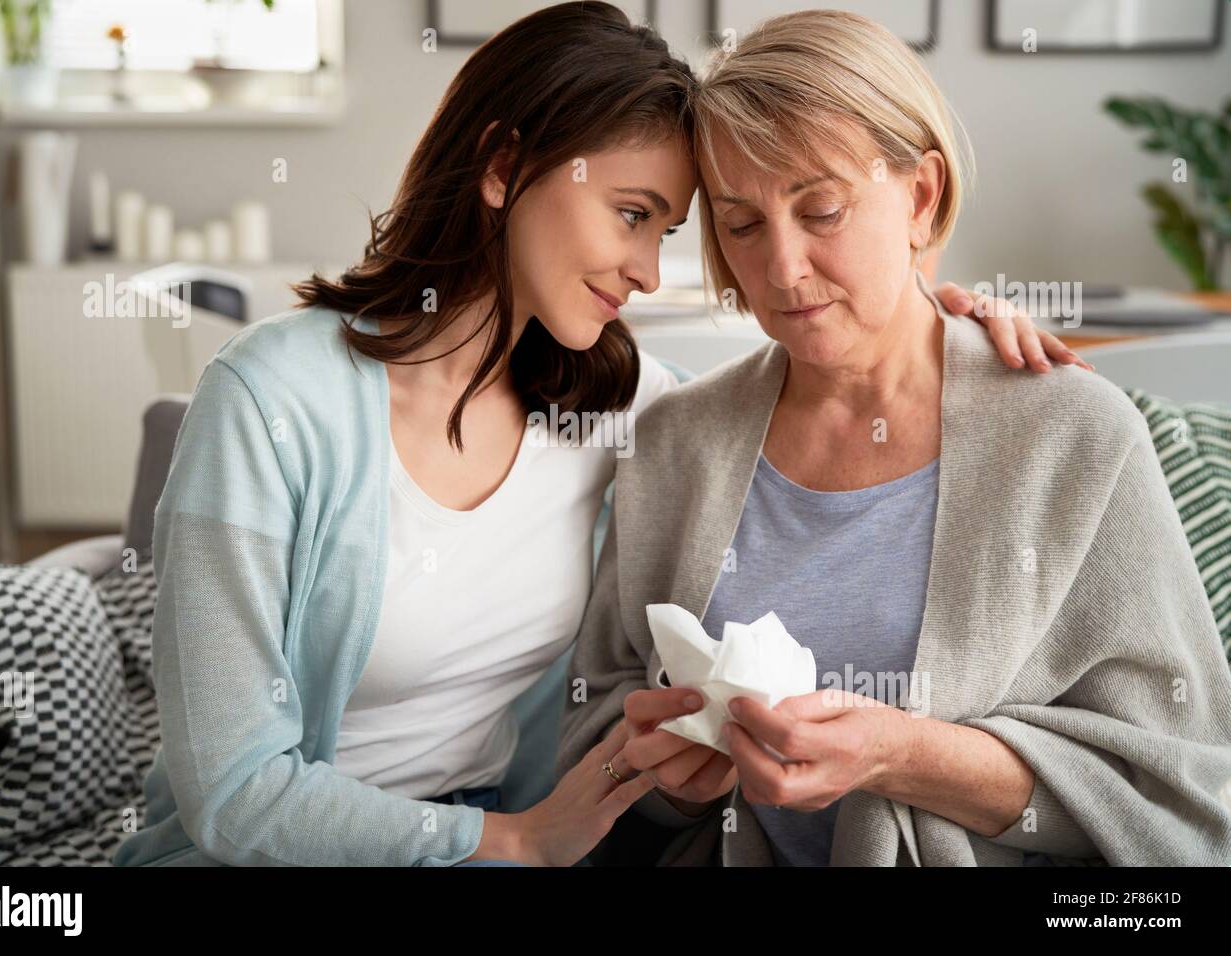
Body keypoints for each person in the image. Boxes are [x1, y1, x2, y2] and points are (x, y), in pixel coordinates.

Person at [115, 2, 1085, 868]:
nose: (647, 271)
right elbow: (233, 793)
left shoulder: (618, 409)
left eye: (664, 231)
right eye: (629, 215)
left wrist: (944, 328)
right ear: (502, 167)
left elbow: (798, 385)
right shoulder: (271, 398)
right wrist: (512, 841)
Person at [558, 8, 1231, 866]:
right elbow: (591, 733)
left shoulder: (1075, 436)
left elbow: (1181, 798)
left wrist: (903, 756)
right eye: (742, 223)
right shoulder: (671, 444)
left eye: (824, 210)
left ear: (921, 196)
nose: (783, 268)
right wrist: (671, 780)